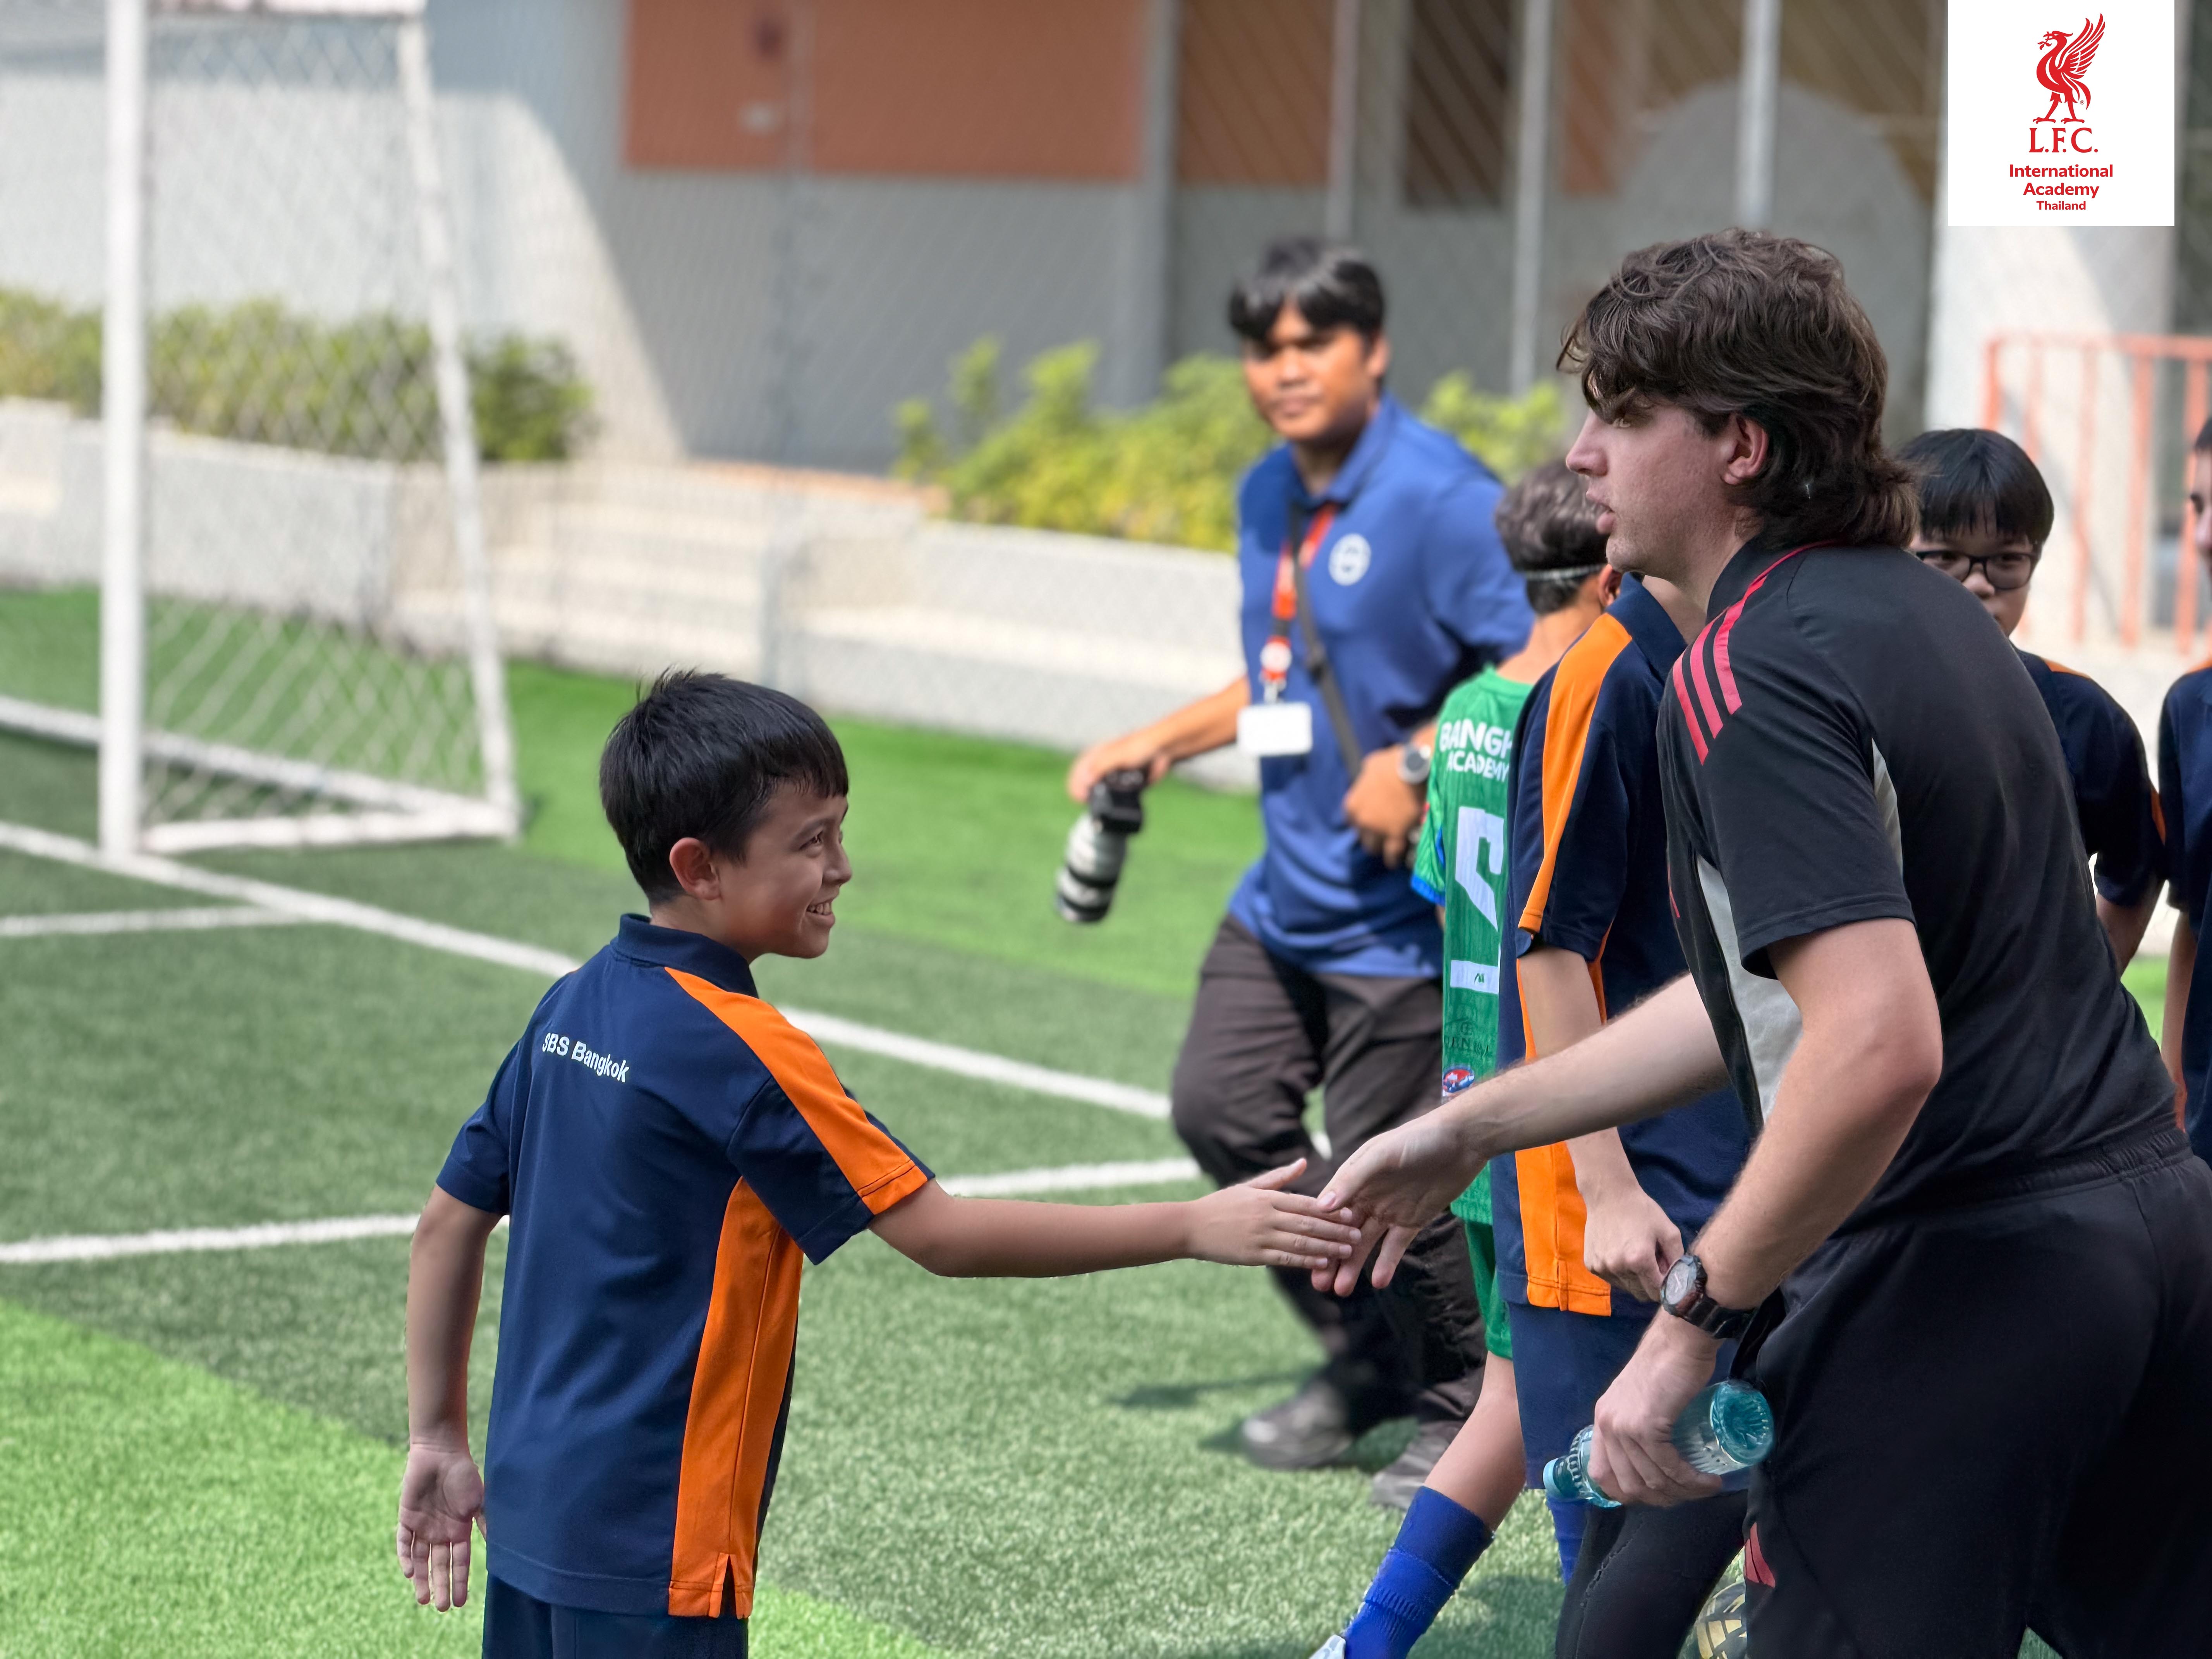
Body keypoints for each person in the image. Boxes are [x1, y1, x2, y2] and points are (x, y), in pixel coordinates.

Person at [1316, 231, 2212, 1655]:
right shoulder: (1926, 615)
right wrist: (1474, 1126)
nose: (1584, 455)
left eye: (1623, 415)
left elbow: (1876, 1044)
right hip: (2153, 1237)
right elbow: (1782, 989)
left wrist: (1690, 1323)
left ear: (1740, 444)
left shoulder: (1754, 665)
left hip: (1966, 1271)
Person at [396, 672, 1361, 1657]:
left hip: (531, 1517)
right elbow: (943, 1236)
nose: (843, 867)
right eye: (811, 842)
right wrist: (1193, 1226)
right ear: (701, 866)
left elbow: (446, 1224)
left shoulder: (569, 1004)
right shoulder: (748, 1052)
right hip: (657, 1537)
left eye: (840, 833)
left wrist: (435, 1437)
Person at [1069, 239, 1532, 1501]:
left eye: (1312, 342)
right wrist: (1157, 739)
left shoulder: (1443, 497)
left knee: (1392, 1166)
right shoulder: (1265, 490)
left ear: (1372, 350)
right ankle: (1368, 1357)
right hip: (1286, 892)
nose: (1285, 369)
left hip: (1403, 912)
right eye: (1263, 347)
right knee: (1220, 1108)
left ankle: (1461, 1406)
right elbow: (1283, 671)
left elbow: (1556, 652)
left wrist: (1420, 758)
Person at [1324, 460, 1617, 1657]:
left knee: (1518, 1394)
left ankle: (1369, 1640)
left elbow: (1445, 882)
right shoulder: (1599, 699)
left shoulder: (1468, 715)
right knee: (1588, 1403)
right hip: (1569, 1101)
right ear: (1610, 571)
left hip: (1471, 1085)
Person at [1493, 538, 1750, 1644]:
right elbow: (1551, 944)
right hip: (1620, 1204)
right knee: (1637, 1541)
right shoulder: (1608, 670)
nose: (1590, 463)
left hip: (1731, 1174)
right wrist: (1604, 1188)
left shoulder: (1745, 654)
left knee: (1720, 1519)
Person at [1901, 428, 2163, 965]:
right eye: (1945, 557)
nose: (1979, 584)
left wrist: (2081, 984)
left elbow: (2138, 866)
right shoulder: (1839, 702)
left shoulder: (2083, 716)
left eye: (2006, 560)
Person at [2162, 415, 2212, 1162]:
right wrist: (2172, 1097)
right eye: (2199, 506)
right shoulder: (2191, 708)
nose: (2202, 536)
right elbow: (2194, 918)